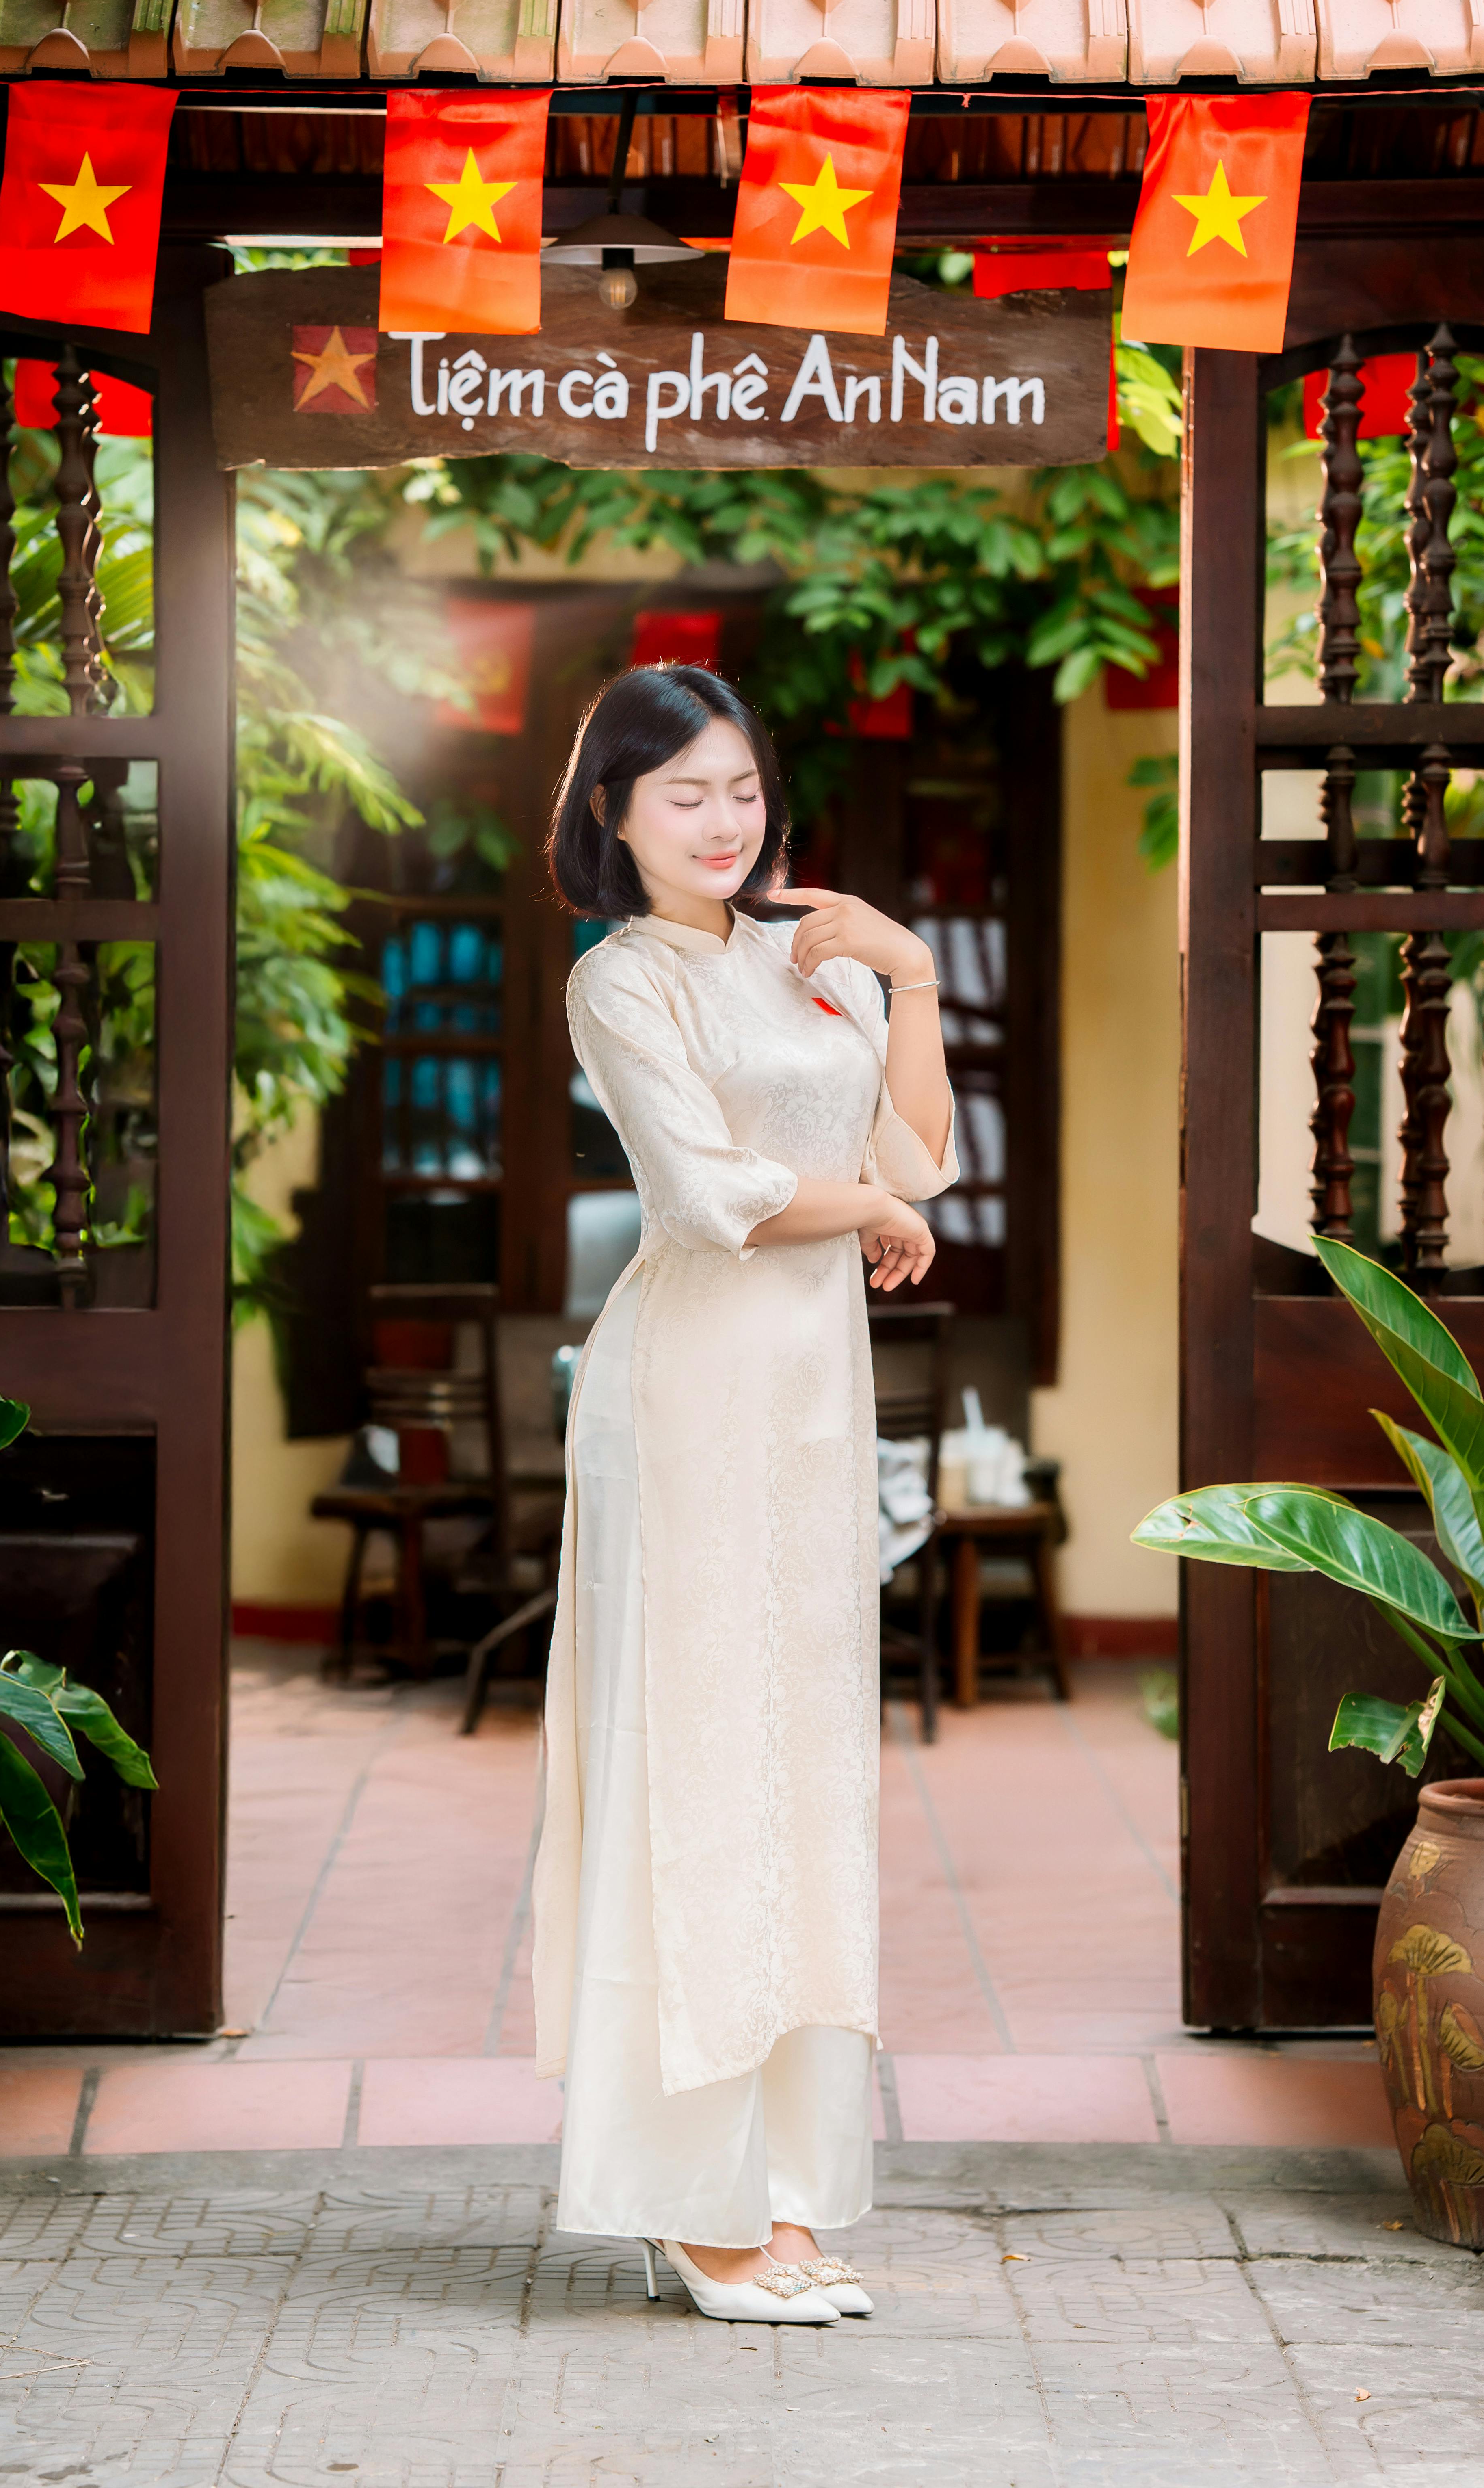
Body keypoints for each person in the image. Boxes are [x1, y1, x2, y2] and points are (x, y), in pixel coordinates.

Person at [531, 662, 957, 2328]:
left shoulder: (816, 957)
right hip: (690, 1394)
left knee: (793, 1773)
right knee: (689, 1764)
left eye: (740, 790)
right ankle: (682, 2197)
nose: (722, 822)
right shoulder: (618, 982)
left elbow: (918, 1161)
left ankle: (772, 2189)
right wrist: (855, 1200)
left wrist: (910, 979)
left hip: (808, 1405)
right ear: (612, 814)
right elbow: (708, 1192)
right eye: (682, 794)